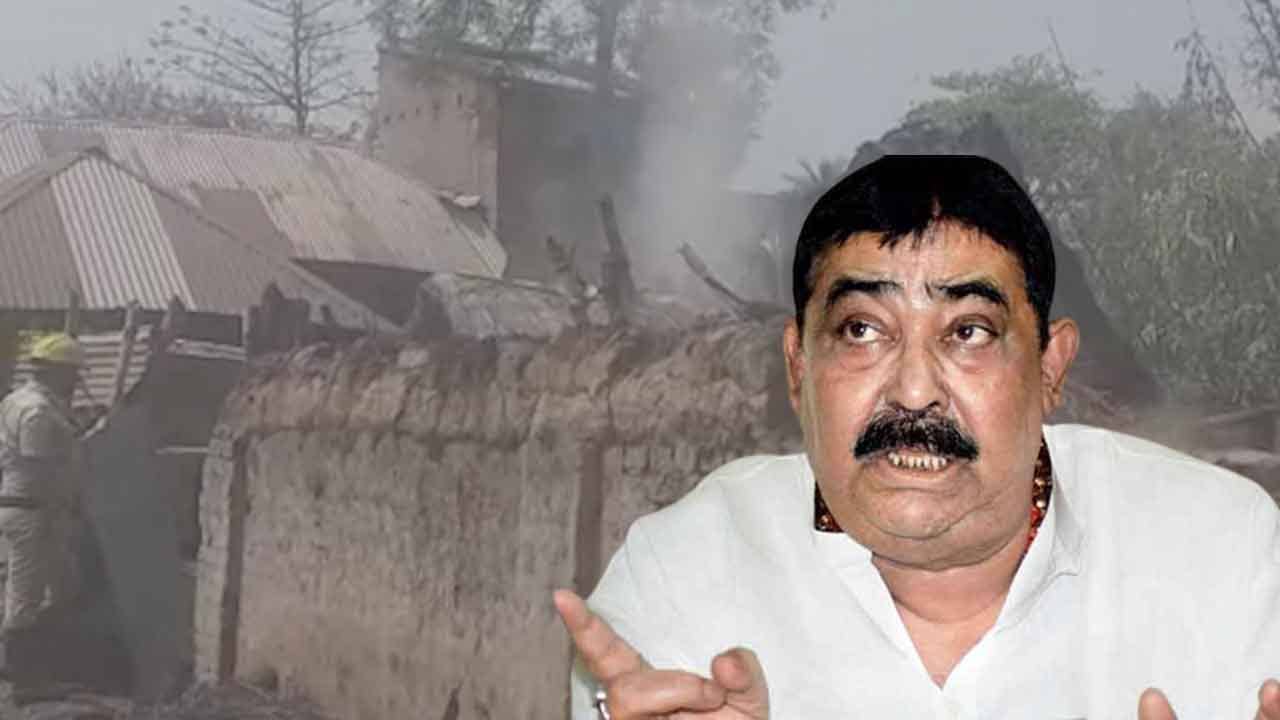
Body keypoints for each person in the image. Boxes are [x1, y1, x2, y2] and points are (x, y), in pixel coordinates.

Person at [554, 155, 1280, 719]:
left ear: (1050, 367)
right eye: (861, 330)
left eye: (969, 332)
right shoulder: (683, 572)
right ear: (798, 369)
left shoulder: (1226, 556)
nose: (912, 390)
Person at [0, 332, 86, 638]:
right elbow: (39, 462)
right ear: (57, 372)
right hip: (33, 511)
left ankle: (46, 651)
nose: (77, 381)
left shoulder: (19, 400)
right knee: (24, 599)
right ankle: (17, 662)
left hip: (34, 510)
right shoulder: (37, 411)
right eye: (73, 373)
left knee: (63, 587)